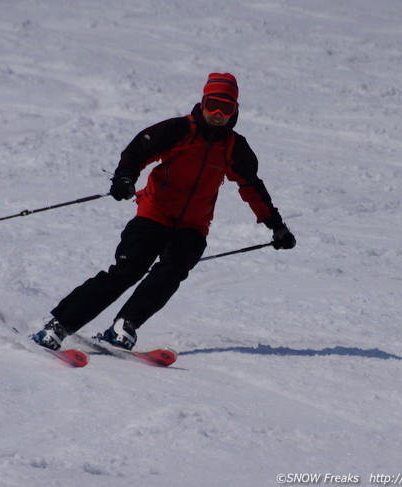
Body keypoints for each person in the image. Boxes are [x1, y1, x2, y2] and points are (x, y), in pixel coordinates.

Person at [32, 73, 296, 351]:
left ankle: (125, 325)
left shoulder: (234, 148)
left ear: (235, 111)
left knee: (172, 271)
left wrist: (276, 226)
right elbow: (137, 150)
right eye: (213, 105)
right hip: (153, 214)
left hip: (193, 227)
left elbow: (252, 187)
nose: (218, 114)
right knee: (128, 270)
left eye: (226, 108)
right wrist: (125, 177)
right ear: (203, 102)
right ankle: (58, 326)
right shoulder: (179, 130)